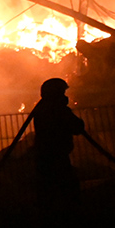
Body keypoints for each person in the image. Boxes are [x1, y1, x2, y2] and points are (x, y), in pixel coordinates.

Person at [33, 78, 84, 211]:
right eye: (62, 92)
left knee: (48, 190)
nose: (64, 95)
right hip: (56, 157)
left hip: (46, 156)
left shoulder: (43, 108)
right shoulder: (57, 109)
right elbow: (77, 127)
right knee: (67, 188)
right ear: (56, 93)